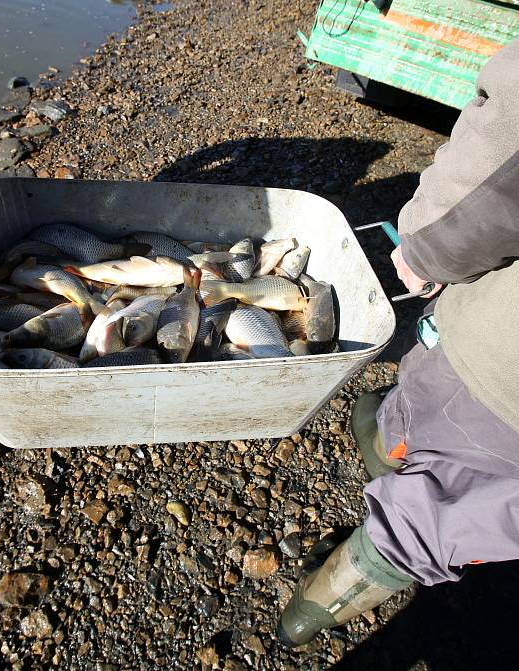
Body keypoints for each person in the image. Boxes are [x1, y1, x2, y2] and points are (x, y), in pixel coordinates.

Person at [278, 38, 519, 646]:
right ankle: (325, 601)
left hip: (504, 372)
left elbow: (507, 156)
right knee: (490, 515)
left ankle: (316, 605)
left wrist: (424, 248)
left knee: (445, 452)